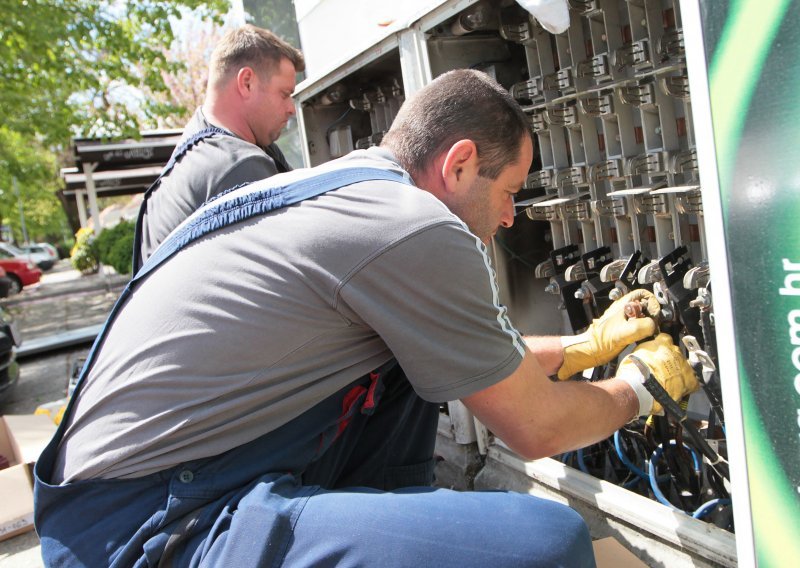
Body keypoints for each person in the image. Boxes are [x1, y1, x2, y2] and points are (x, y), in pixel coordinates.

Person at [34, 69, 698, 567]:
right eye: (509, 192)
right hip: (144, 531)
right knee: (549, 545)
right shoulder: (413, 227)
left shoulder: (347, 194)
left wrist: (585, 345)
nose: (508, 217)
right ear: (459, 162)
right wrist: (641, 387)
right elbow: (536, 426)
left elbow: (473, 356)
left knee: (412, 375)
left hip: (135, 498)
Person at [133, 24, 305, 271]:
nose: (291, 107)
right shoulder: (235, 166)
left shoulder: (195, 148)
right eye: (284, 94)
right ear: (247, 82)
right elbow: (298, 269)